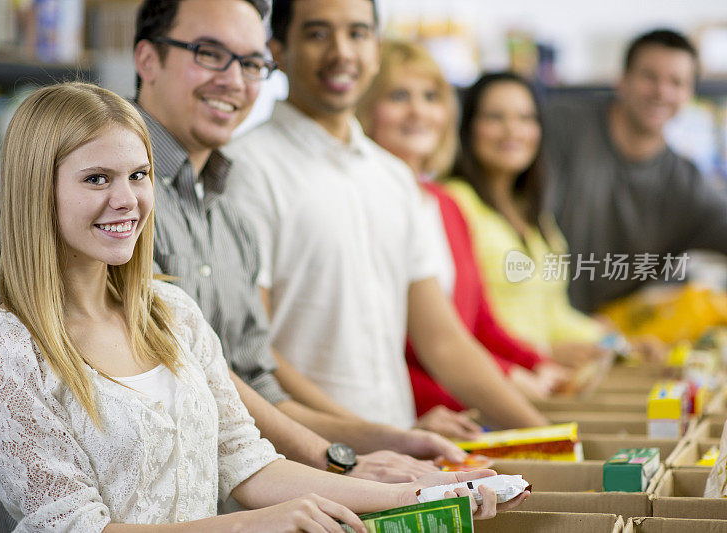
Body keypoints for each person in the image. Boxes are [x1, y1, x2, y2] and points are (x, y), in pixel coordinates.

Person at [0, 82, 524, 532]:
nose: (127, 200)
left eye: (139, 176)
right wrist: (248, 527)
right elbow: (70, 528)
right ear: (39, 190)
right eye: (97, 179)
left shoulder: (171, 312)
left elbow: (248, 463)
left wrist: (415, 493)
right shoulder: (10, 348)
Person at [131, 0, 474, 482]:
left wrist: (382, 441)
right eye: (209, 53)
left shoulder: (221, 202)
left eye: (250, 64)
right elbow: (188, 375)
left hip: (229, 496)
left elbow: (253, 382)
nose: (233, 80)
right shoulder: (113, 184)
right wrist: (341, 456)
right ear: (147, 59)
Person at [224, 0, 548, 432]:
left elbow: (444, 342)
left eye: (357, 34)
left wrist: (547, 436)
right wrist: (377, 440)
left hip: (399, 465)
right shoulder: (245, 169)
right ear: (277, 51)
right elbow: (252, 352)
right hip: (304, 459)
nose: (342, 51)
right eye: (318, 34)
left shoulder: (393, 178)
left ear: (376, 50)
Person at [356, 40, 569, 410]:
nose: (418, 111)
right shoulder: (361, 203)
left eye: (430, 96)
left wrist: (537, 364)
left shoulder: (445, 204)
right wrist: (500, 382)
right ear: (366, 108)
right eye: (399, 95)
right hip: (416, 413)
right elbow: (392, 351)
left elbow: (479, 324)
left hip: (463, 404)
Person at [544, 28, 727, 313]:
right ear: (623, 81)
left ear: (689, 94)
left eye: (676, 82)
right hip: (532, 321)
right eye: (650, 77)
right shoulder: (564, 128)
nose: (661, 92)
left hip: (612, 337)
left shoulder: (685, 182)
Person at [443, 71, 608, 367]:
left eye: (525, 118)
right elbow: (459, 326)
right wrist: (541, 353)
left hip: (542, 380)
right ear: (468, 128)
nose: (512, 131)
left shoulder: (534, 215)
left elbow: (553, 314)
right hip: (491, 385)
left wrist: (612, 340)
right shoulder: (454, 202)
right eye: (495, 117)